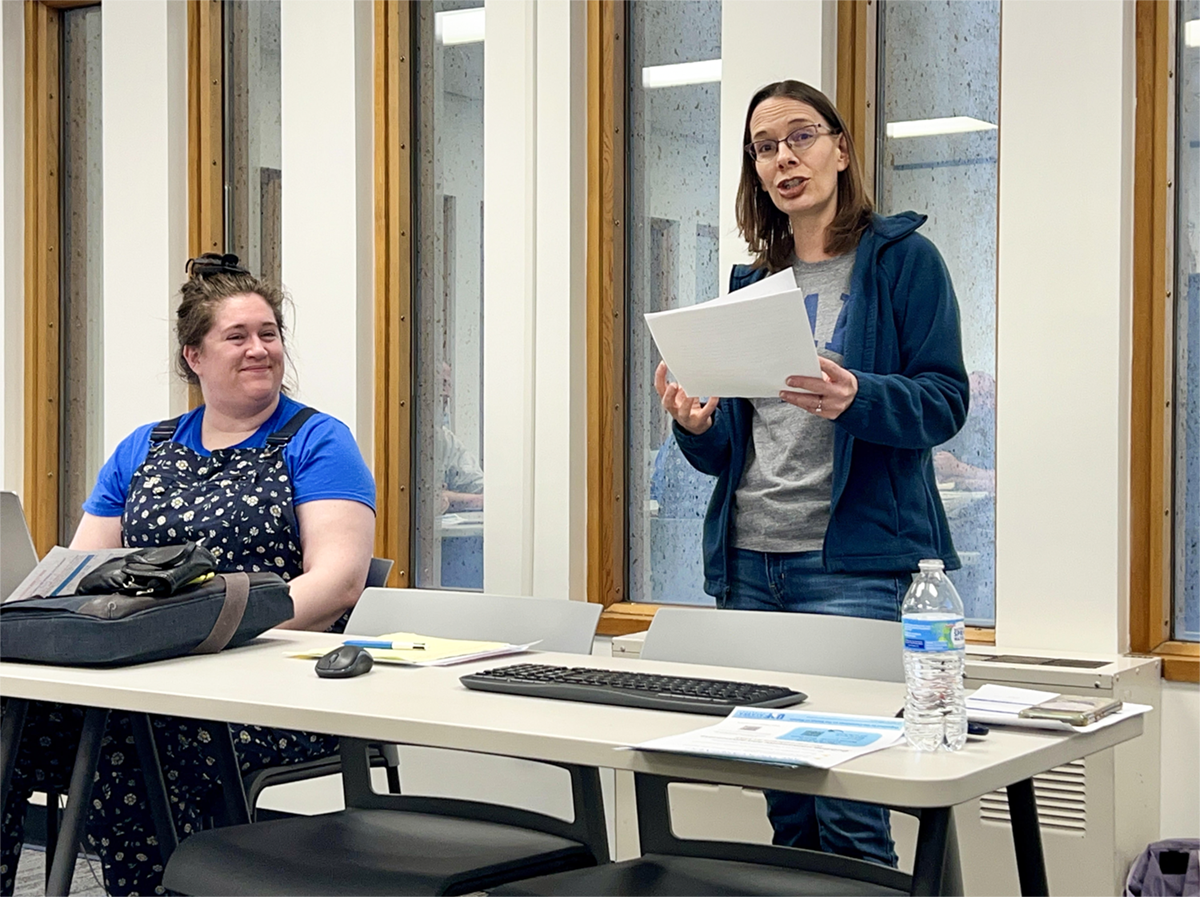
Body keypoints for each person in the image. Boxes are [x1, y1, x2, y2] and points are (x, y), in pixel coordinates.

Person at [655, 80, 969, 866]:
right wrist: (694, 427)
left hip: (852, 570)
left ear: (841, 149)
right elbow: (733, 447)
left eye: (801, 137)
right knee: (788, 806)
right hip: (749, 566)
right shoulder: (753, 285)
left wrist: (859, 395)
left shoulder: (902, 262)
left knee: (852, 811)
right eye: (765, 147)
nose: (784, 158)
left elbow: (945, 400)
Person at [0, 253, 376, 897]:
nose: (259, 349)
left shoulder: (317, 441)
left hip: (272, 689)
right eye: (238, 336)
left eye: (269, 333)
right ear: (194, 356)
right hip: (143, 676)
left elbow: (338, 583)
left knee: (131, 741)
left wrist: (207, 634)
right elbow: (84, 575)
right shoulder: (144, 448)